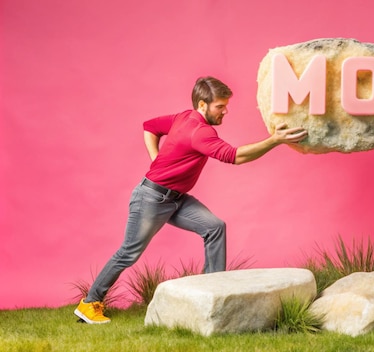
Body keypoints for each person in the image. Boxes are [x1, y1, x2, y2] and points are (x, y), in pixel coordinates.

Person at [74, 76, 307, 324]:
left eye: (226, 105)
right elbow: (234, 157)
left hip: (176, 199)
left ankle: (215, 296)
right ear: (203, 105)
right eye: (220, 106)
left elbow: (149, 126)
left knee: (214, 227)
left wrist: (156, 158)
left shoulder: (183, 117)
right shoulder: (200, 131)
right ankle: (90, 304)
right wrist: (275, 140)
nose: (225, 111)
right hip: (152, 198)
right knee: (128, 253)